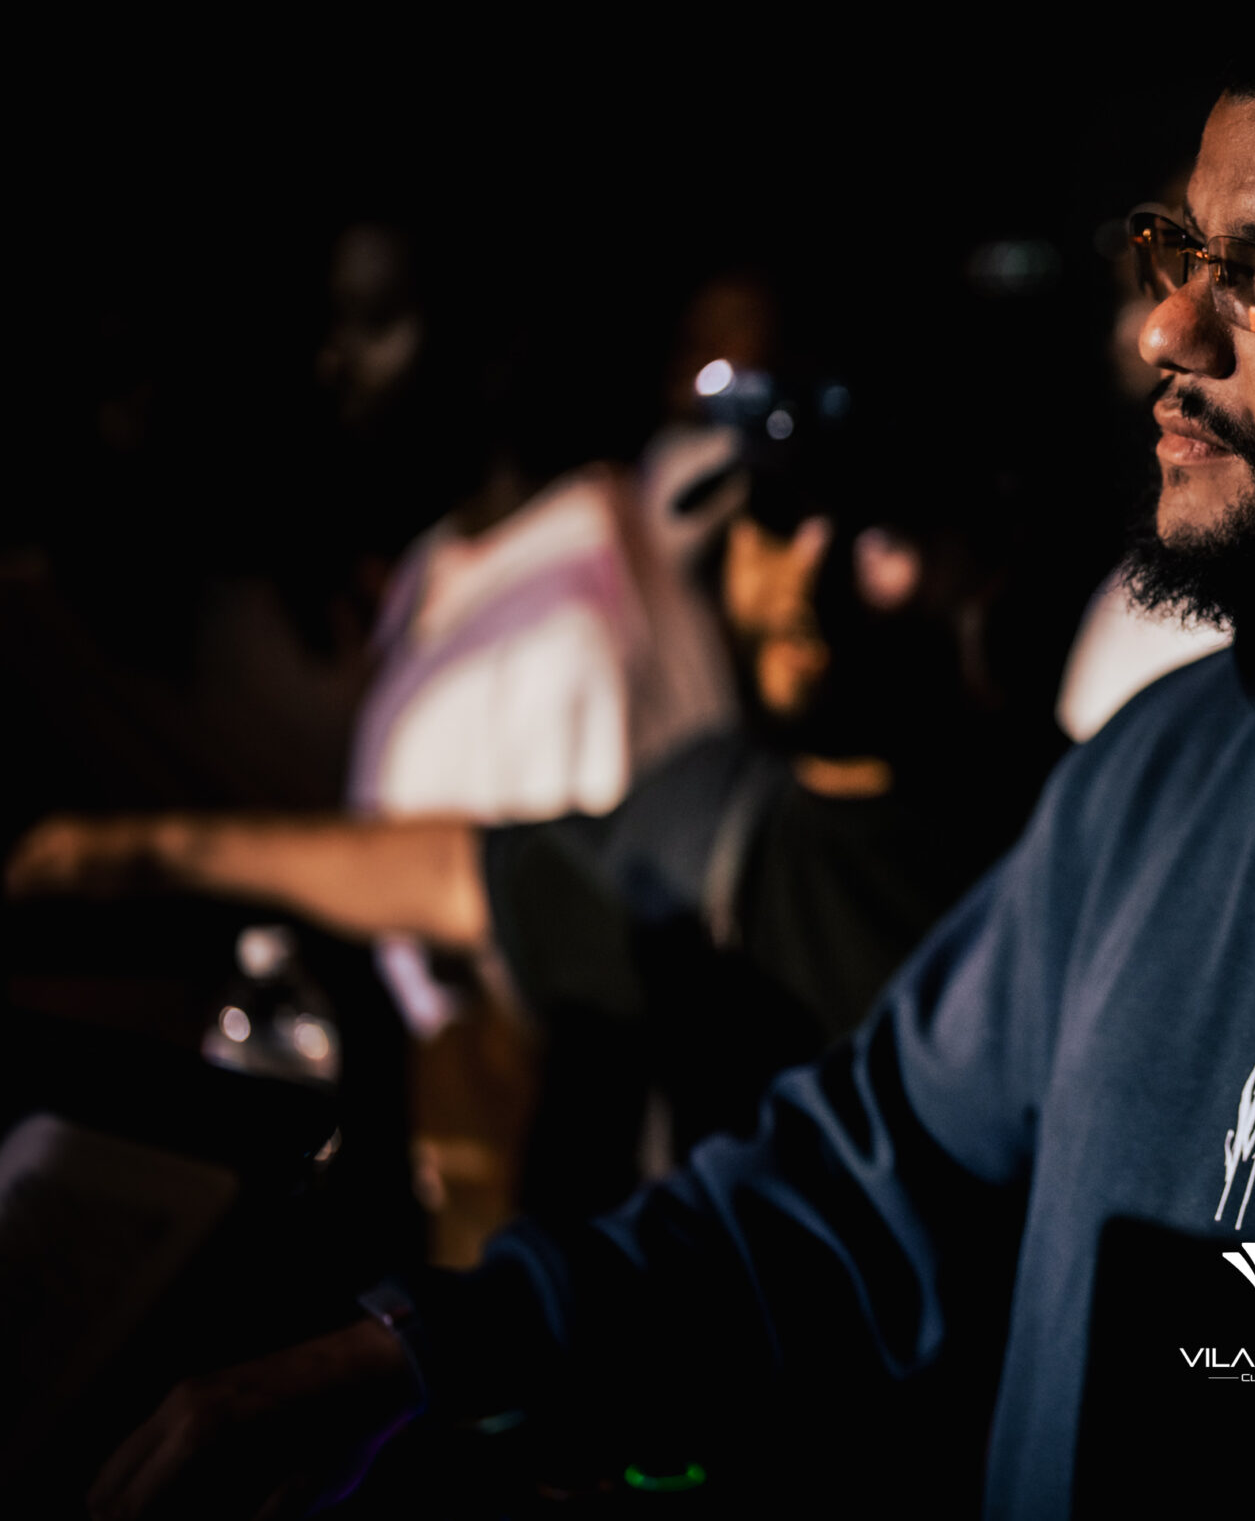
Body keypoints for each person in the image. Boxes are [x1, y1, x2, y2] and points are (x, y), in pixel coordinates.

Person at [80, 15, 1255, 1517]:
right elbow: (858, 1184)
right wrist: (408, 1356)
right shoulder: (1156, 775)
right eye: (1180, 252)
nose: (1166, 330)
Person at [10, 372, 1064, 1235]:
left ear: (983, 558)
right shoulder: (707, 815)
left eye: (878, 532)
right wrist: (127, 851)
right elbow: (460, 874)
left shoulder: (1075, 829)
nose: (804, 576)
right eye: (777, 516)